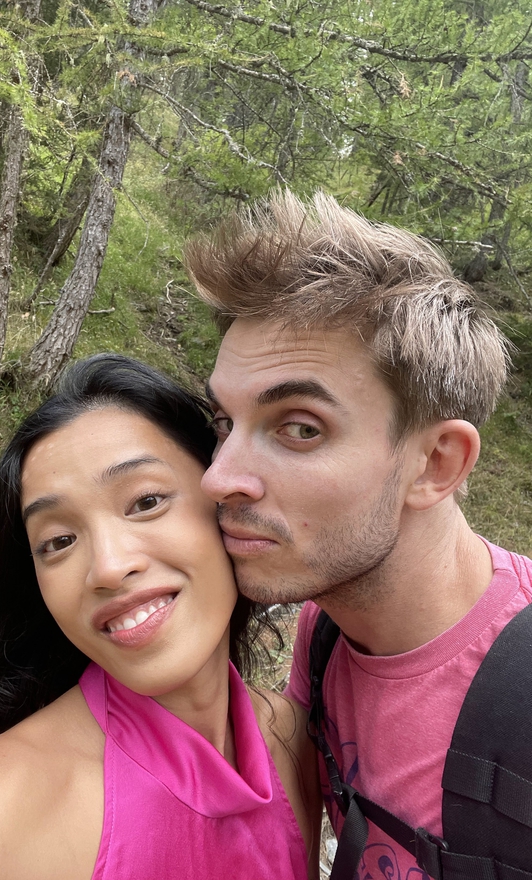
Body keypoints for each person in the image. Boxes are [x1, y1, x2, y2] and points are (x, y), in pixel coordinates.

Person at [184, 190, 532, 878]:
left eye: (300, 428)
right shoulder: (325, 632)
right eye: (225, 423)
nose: (218, 479)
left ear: (436, 464)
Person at [0, 353, 320, 880]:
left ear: (223, 499)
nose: (107, 567)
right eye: (59, 541)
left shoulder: (292, 739)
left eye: (146, 501)